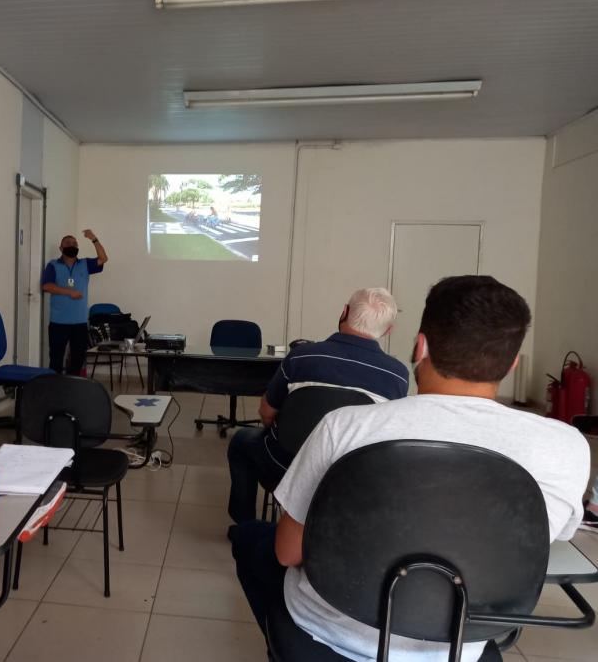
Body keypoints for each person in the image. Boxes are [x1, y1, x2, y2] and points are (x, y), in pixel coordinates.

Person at [232, 275, 591, 662]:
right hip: (459, 647)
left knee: (252, 541)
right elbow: (546, 542)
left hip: (332, 637)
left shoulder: (346, 427)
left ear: (419, 346)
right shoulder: (566, 448)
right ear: (512, 363)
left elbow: (288, 552)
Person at [227, 288, 408, 524]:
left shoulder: (301, 357)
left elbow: (267, 413)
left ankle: (245, 526)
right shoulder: (397, 375)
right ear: (388, 330)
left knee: (241, 442)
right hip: (351, 477)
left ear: (344, 312)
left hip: (285, 466)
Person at [41, 230, 108, 374]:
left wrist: (94, 239)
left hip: (80, 322)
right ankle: (55, 388)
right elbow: (46, 286)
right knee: (56, 359)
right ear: (61, 248)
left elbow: (103, 258)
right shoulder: (53, 265)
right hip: (58, 322)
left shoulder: (85, 264)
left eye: (74, 243)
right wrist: (69, 292)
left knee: (78, 359)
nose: (72, 245)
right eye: (68, 243)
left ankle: (72, 388)